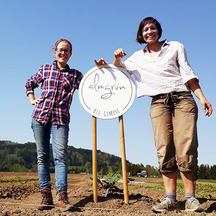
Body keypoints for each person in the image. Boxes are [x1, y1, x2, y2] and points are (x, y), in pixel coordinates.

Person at [95, 17, 213, 213]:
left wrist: (202, 97)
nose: (149, 32)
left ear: (158, 30)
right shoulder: (137, 57)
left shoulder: (175, 46)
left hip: (182, 98)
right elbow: (119, 68)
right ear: (141, 35)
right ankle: (170, 199)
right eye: (145, 29)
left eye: (152, 28)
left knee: (186, 147)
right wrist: (113, 59)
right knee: (164, 148)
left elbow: (188, 74)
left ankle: (191, 199)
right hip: (158, 103)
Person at [25, 38, 83, 210]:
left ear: (70, 54)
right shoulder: (45, 69)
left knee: (61, 158)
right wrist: (32, 99)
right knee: (42, 157)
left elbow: (91, 87)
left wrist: (102, 69)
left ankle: (62, 197)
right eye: (60, 49)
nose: (63, 53)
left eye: (66, 50)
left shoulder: (75, 75)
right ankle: (45, 197)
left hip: (60, 120)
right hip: (40, 117)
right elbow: (29, 83)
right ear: (54, 51)